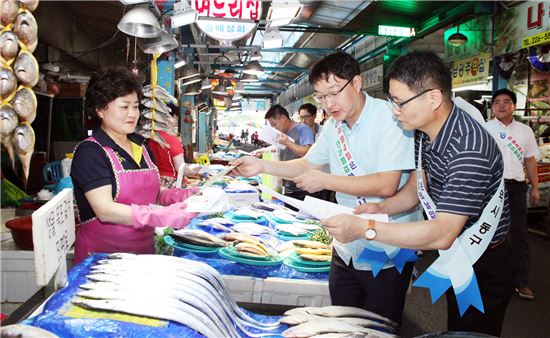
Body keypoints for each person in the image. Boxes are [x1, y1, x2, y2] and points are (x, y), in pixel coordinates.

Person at [321, 51, 515, 336]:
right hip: (457, 250)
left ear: (433, 99)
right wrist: (382, 208)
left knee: (472, 332)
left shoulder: (469, 149)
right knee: (455, 327)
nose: (394, 110)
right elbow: (415, 189)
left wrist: (366, 229)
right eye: (391, 101)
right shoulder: (425, 130)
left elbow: (441, 232)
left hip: (484, 260)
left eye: (399, 102)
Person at [232, 52, 418, 327]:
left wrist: (326, 181)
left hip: (386, 247)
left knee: (379, 327)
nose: (329, 104)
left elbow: (386, 184)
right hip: (346, 243)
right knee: (339, 325)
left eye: (334, 92)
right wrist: (261, 167)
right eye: (321, 96)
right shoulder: (333, 126)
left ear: (357, 82)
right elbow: (309, 163)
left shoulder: (389, 119)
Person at [71, 67, 198, 264]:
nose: (133, 114)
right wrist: (160, 215)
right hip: (102, 263)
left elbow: (151, 194)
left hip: (143, 259)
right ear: (100, 110)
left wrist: (180, 195)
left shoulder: (141, 147)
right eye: (124, 106)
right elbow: (104, 209)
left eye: (136, 106)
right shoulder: (91, 152)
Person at [486, 88, 540, 300]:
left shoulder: (525, 131)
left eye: (506, 101)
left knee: (518, 236)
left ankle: (522, 282)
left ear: (513, 106)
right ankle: (489, 277)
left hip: (516, 188)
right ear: (492, 107)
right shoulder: (485, 128)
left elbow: (530, 161)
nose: (501, 105)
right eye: (497, 102)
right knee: (489, 234)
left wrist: (535, 187)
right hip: (492, 188)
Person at [250, 104, 315, 203]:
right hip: (288, 183)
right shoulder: (282, 132)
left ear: (283, 118)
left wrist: (287, 143)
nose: (274, 128)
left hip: (303, 186)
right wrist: (262, 150)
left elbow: (308, 153)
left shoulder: (303, 129)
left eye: (274, 124)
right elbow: (280, 146)